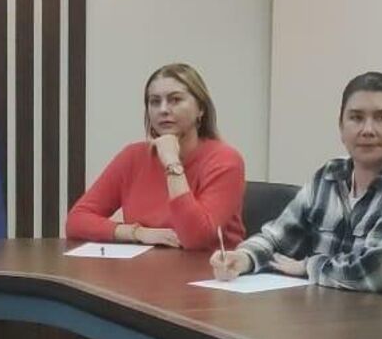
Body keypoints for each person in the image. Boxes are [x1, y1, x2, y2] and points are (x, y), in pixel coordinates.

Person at [210, 71, 382, 315]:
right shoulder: (329, 175)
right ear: (341, 128)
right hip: (351, 320)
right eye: (356, 118)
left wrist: (308, 266)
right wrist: (243, 258)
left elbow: (373, 274)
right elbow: (278, 238)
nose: (368, 130)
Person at [65, 62, 246, 250]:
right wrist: (137, 233)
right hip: (145, 264)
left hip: (206, 266)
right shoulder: (133, 156)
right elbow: (76, 221)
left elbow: (195, 238)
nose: (163, 109)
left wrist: (172, 163)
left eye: (175, 100)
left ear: (200, 108)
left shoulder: (225, 160)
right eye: (155, 102)